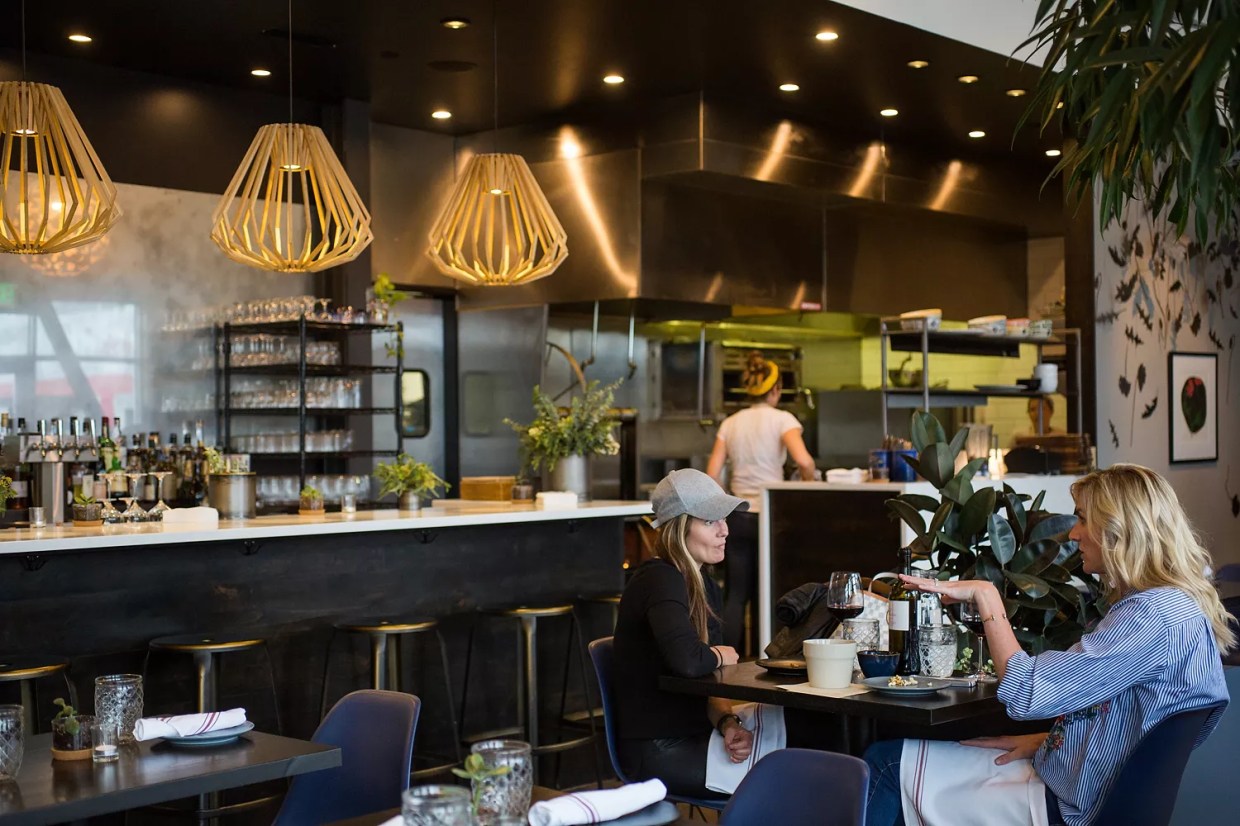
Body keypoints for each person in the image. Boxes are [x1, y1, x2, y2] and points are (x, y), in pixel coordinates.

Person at [864, 463, 1232, 826]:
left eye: (1083, 519)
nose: (1073, 533)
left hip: (1067, 806)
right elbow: (1139, 723)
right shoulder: (1179, 605)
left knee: (886, 763)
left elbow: (1026, 693)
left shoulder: (1149, 616)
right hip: (1081, 786)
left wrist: (986, 595)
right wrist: (1053, 741)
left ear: (1119, 529)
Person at [613, 468, 751, 799]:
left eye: (724, 519)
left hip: (695, 736)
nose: (725, 530)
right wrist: (719, 654)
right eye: (710, 521)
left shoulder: (705, 587)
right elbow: (690, 662)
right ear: (679, 528)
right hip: (657, 750)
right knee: (788, 776)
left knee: (802, 753)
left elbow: (711, 681)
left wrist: (728, 723)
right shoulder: (659, 579)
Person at [706, 351, 816, 653]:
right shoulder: (783, 420)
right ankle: (770, 659)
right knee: (771, 591)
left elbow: (712, 473)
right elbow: (805, 462)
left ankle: (726, 662)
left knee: (736, 595)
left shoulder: (731, 423)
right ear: (776, 389)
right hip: (771, 517)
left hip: (737, 517)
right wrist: (808, 486)